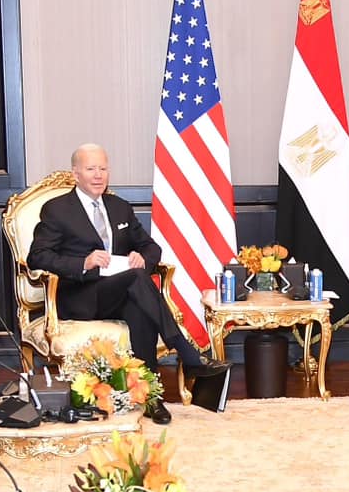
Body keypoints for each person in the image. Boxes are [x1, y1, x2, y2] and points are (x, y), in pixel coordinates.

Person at [26, 143, 230, 425]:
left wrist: (141, 257)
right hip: (81, 295)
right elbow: (37, 256)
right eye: (91, 169)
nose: (98, 175)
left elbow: (151, 248)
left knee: (139, 303)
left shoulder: (120, 207)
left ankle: (150, 397)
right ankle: (187, 354)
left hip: (119, 291)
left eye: (103, 168)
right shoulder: (57, 210)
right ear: (75, 174)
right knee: (138, 284)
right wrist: (83, 262)